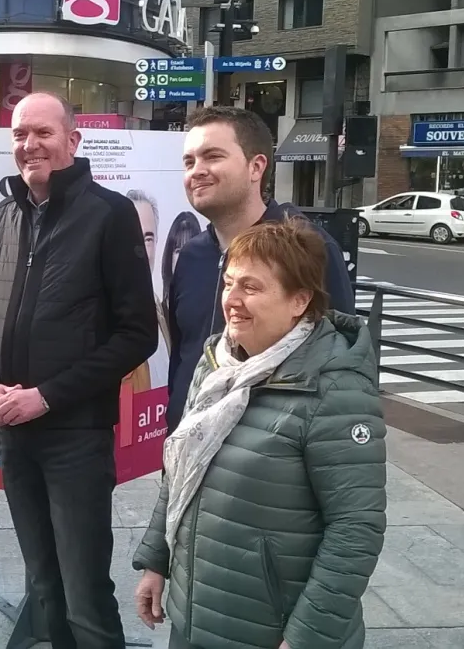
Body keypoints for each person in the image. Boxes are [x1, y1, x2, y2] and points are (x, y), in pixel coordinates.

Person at [133, 218, 387, 649]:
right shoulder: (216, 365)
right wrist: (156, 561)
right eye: (229, 283)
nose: (232, 300)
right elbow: (179, 473)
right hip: (195, 617)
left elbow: (355, 528)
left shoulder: (334, 389)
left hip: (273, 632)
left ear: (299, 300)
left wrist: (308, 636)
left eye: (251, 288)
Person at [0, 91, 159, 649]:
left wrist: (47, 396)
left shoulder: (109, 213)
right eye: (20, 135)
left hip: (75, 438)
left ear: (72, 141)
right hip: (15, 436)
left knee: (83, 594)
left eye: (43, 133)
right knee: (44, 585)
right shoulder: (5, 213)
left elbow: (138, 334)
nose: (31, 145)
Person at [166, 106, 356, 434]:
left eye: (212, 156)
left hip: (268, 465)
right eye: (189, 161)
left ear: (256, 167)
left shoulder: (308, 250)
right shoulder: (191, 255)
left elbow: (343, 370)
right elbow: (182, 357)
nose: (197, 171)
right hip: (188, 451)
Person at [124, 190, 170, 391]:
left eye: (148, 238)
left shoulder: (163, 311)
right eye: (130, 236)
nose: (140, 248)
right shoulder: (95, 315)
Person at [159, 211, 202, 354]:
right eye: (178, 250)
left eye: (189, 248)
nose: (183, 256)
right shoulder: (159, 310)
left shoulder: (210, 306)